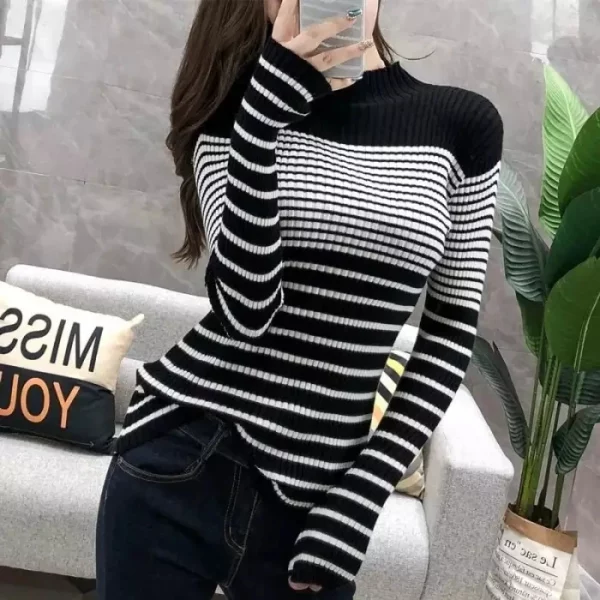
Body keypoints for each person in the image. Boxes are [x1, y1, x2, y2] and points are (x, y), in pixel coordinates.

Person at [96, 0, 503, 598]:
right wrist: (260, 120)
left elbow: (446, 338)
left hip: (319, 502)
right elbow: (248, 313)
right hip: (181, 460)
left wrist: (360, 498)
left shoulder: (463, 126)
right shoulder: (231, 111)